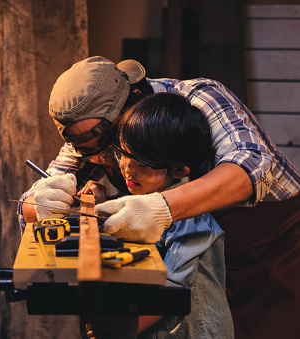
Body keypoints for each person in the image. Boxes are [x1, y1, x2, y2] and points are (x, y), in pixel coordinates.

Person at [18, 56, 300, 339]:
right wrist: (39, 203)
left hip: (277, 249)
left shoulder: (197, 98)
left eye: (113, 145)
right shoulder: (89, 139)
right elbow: (33, 202)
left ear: (136, 98)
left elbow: (252, 164)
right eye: (91, 152)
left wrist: (161, 207)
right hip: (208, 267)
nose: (108, 160)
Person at [94, 92, 233, 338]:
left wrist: (119, 329)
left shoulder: (189, 212)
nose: (127, 167)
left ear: (179, 170)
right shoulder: (149, 194)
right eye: (123, 153)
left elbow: (173, 289)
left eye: (142, 163)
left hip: (196, 330)